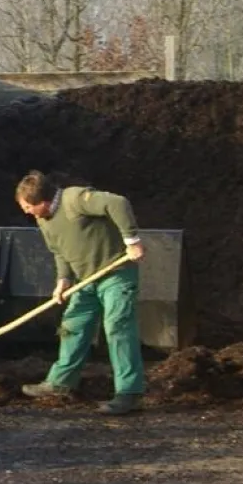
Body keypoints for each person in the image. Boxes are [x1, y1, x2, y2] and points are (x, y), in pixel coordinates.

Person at [15, 170, 146, 415]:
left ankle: (129, 393)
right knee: (73, 326)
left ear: (41, 202)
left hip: (115, 273)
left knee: (118, 326)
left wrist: (132, 241)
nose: (26, 212)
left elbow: (117, 203)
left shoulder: (74, 199)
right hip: (85, 281)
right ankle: (60, 383)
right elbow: (59, 251)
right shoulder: (43, 219)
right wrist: (63, 279)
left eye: (27, 207)